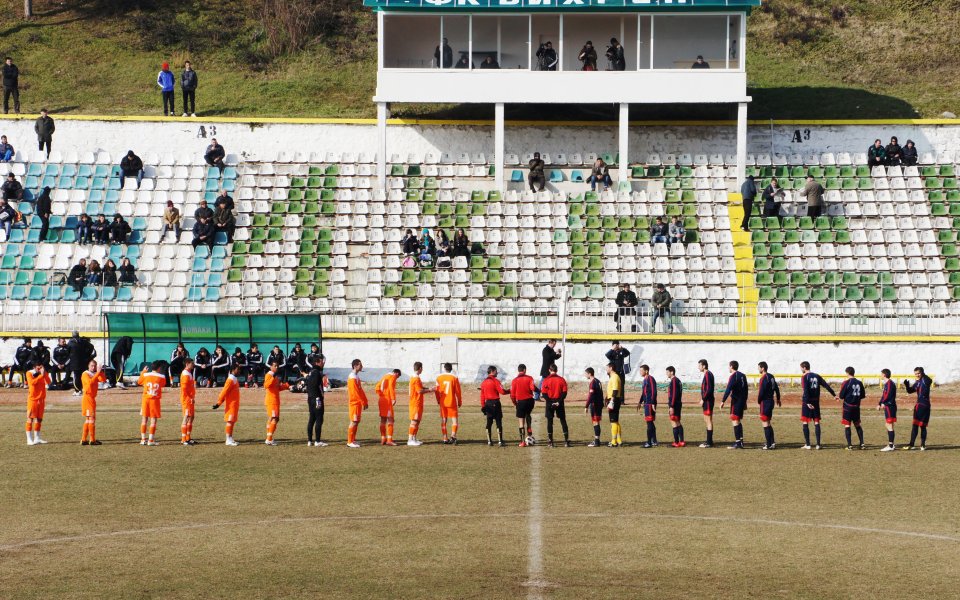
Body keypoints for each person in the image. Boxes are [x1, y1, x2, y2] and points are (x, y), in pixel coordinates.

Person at [799, 361, 834, 450]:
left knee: (805, 422)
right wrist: (834, 394)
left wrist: (807, 402)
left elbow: (806, 390)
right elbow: (826, 385)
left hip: (808, 402)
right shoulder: (816, 376)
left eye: (801, 368)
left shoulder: (804, 377)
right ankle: (818, 444)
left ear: (804, 368)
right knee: (816, 422)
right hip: (816, 402)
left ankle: (808, 444)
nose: (800, 369)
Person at [836, 366, 866, 450]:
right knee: (857, 424)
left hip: (848, 407)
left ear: (847, 373)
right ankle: (862, 443)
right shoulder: (859, 383)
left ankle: (849, 445)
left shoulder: (846, 383)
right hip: (856, 407)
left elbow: (841, 396)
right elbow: (863, 395)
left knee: (847, 425)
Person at [720, 360, 748, 449]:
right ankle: (741, 441)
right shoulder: (743, 376)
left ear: (731, 366)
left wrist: (723, 401)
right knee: (738, 420)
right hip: (742, 401)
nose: (728, 368)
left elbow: (728, 389)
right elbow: (746, 390)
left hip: (736, 401)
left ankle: (738, 443)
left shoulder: (733, 376)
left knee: (734, 420)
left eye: (729, 366)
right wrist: (745, 402)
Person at [137, 361, 167, 446]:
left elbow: (139, 382)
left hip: (145, 399)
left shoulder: (146, 375)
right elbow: (163, 384)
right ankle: (151, 440)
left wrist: (143, 372)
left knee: (144, 419)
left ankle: (143, 439)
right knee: (153, 420)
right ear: (159, 368)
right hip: (155, 400)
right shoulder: (162, 376)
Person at [212, 363, 242, 446]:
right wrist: (219, 403)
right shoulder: (230, 379)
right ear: (233, 370)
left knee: (232, 421)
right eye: (238, 369)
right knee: (230, 421)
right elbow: (224, 392)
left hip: (235, 404)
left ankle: (230, 438)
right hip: (231, 405)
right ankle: (228, 440)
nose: (239, 371)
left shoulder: (234, 378)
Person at [902, 366, 932, 451]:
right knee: (915, 425)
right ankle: (913, 444)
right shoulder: (918, 382)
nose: (917, 375)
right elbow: (910, 391)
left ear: (922, 373)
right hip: (920, 405)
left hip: (924, 405)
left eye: (918, 373)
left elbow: (930, 380)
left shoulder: (925, 380)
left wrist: (923, 374)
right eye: (915, 374)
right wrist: (907, 386)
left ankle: (921, 444)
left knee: (922, 426)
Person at [541, 363, 570, 447]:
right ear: (556, 370)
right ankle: (566, 441)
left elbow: (544, 394)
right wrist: (559, 402)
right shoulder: (561, 379)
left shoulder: (546, 380)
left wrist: (550, 402)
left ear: (549, 370)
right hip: (559, 402)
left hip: (550, 402)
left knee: (550, 421)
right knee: (563, 420)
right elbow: (564, 393)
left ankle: (550, 442)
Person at [80, 359, 106, 445]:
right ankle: (92, 440)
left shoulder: (94, 374)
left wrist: (101, 371)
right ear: (88, 366)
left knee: (88, 420)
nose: (93, 367)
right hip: (87, 398)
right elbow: (90, 383)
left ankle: (84, 440)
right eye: (92, 365)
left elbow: (103, 379)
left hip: (92, 398)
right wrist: (97, 373)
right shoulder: (85, 374)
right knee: (91, 419)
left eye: (95, 366)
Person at [479, 365, 507, 446]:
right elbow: (502, 392)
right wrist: (510, 391)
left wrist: (483, 406)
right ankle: (500, 441)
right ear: (493, 371)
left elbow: (482, 396)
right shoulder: (495, 381)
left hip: (488, 404)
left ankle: (489, 441)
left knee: (489, 422)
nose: (497, 372)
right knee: (498, 421)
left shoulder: (483, 382)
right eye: (496, 371)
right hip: (495, 402)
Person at [263, 362, 290, 446]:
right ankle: (269, 439)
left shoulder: (276, 376)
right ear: (271, 366)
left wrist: (286, 386)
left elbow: (277, 388)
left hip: (274, 401)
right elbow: (266, 385)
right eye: (274, 366)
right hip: (272, 401)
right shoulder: (269, 375)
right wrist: (273, 377)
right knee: (275, 418)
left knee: (272, 418)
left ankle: (269, 437)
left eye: (277, 366)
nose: (276, 367)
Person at [435, 362, 463, 445]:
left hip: (443, 402)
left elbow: (436, 390)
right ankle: (453, 436)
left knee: (444, 420)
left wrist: (438, 400)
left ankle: (444, 438)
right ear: (451, 368)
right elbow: (458, 391)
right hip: (452, 402)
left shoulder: (439, 377)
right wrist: (460, 401)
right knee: (454, 420)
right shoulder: (454, 377)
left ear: (444, 368)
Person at [510, 364, 537, 447]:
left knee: (521, 422)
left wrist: (515, 403)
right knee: (528, 415)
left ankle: (522, 442)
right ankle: (529, 434)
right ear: (525, 370)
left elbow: (512, 395)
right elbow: (533, 388)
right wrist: (538, 390)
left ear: (519, 370)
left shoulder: (514, 380)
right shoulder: (529, 378)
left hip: (520, 402)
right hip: (529, 402)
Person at [756, 361, 781, 450]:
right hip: (771, 401)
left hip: (765, 402)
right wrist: (778, 398)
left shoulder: (763, 378)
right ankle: (772, 442)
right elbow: (776, 388)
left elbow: (761, 392)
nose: (758, 369)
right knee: (768, 423)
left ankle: (768, 444)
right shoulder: (771, 376)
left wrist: (759, 401)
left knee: (765, 423)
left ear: (762, 368)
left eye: (759, 367)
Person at [25, 363, 51, 445]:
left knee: (39, 419)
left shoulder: (43, 373)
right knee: (30, 418)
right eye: (38, 368)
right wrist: (41, 375)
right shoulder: (29, 373)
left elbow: (49, 381)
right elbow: (32, 382)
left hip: (41, 399)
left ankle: (37, 438)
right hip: (33, 400)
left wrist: (44, 373)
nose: (40, 369)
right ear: (34, 367)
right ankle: (29, 439)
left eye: (41, 367)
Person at [306, 354, 328, 447]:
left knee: (312, 419)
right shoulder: (316, 372)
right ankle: (317, 441)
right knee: (319, 419)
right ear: (317, 362)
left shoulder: (312, 371)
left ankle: (310, 440)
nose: (323, 363)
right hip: (317, 399)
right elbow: (316, 385)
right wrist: (320, 395)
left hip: (310, 398)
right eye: (321, 361)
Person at [346, 359, 368, 448]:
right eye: (360, 365)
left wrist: (365, 401)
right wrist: (362, 401)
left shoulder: (356, 377)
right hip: (354, 403)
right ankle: (349, 441)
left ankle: (353, 440)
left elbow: (360, 391)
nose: (362, 366)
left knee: (356, 421)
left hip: (358, 403)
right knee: (353, 421)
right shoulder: (352, 377)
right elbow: (355, 392)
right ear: (355, 366)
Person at [375, 368, 401, 446]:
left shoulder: (385, 376)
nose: (397, 378)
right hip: (387, 400)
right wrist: (393, 398)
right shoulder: (393, 376)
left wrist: (381, 395)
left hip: (381, 399)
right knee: (391, 419)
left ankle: (383, 438)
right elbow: (391, 387)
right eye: (398, 377)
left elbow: (377, 387)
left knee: (383, 419)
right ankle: (389, 439)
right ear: (396, 373)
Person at [68, 331, 97, 396]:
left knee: (76, 376)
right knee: (82, 376)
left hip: (75, 362)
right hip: (83, 362)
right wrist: (87, 354)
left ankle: (77, 390)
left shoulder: (70, 342)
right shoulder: (83, 341)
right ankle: (81, 389)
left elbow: (68, 352)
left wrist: (72, 356)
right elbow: (91, 346)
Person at [406, 361, 429, 446]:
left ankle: (414, 438)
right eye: (422, 368)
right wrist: (430, 390)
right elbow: (419, 391)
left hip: (417, 402)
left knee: (417, 421)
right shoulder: (415, 378)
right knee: (414, 421)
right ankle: (410, 439)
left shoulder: (415, 377)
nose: (422, 370)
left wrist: (429, 388)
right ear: (420, 368)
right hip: (415, 402)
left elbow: (420, 388)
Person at [637, 364, 658, 448]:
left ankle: (649, 442)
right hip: (646, 403)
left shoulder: (650, 379)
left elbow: (654, 391)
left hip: (649, 404)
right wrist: (640, 401)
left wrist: (653, 403)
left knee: (649, 422)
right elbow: (644, 392)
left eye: (641, 370)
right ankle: (654, 441)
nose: (640, 372)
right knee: (650, 422)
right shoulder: (645, 380)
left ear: (646, 371)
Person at [665, 366, 685, 448]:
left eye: (667, 372)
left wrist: (671, 406)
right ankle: (682, 441)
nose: (666, 374)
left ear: (672, 372)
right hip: (678, 404)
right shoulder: (678, 381)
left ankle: (676, 442)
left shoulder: (674, 381)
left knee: (674, 422)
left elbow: (674, 395)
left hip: (675, 405)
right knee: (678, 422)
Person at [584, 367, 604, 447]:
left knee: (595, 422)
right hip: (599, 404)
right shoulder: (598, 381)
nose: (585, 375)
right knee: (597, 422)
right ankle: (597, 440)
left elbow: (591, 395)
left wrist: (586, 406)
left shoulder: (592, 382)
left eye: (585, 374)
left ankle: (596, 441)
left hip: (595, 404)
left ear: (589, 374)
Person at [878, 368, 897, 452]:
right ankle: (891, 444)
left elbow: (887, 395)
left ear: (884, 374)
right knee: (889, 425)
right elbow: (884, 395)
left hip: (890, 407)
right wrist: (880, 403)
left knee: (889, 425)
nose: (880, 375)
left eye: (881, 374)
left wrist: (883, 403)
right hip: (889, 406)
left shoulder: (889, 384)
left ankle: (890, 445)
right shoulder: (888, 383)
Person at [697, 359, 715, 448]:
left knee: (708, 420)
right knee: (707, 420)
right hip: (707, 401)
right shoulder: (707, 374)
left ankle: (709, 442)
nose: (698, 367)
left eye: (699, 365)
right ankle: (709, 440)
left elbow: (709, 389)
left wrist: (703, 399)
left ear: (704, 366)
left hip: (708, 401)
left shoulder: (708, 374)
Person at [605, 363, 624, 447]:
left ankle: (613, 441)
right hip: (614, 399)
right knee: (615, 421)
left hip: (614, 400)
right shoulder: (613, 377)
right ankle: (619, 440)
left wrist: (611, 401)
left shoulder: (615, 377)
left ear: (611, 368)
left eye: (607, 368)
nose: (606, 370)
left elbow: (615, 390)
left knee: (613, 421)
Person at [179, 357, 196, 445]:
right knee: (186, 417)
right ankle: (183, 439)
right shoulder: (185, 374)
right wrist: (190, 398)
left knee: (191, 417)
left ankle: (188, 438)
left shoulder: (189, 373)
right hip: (187, 399)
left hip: (190, 399)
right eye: (192, 363)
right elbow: (184, 389)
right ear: (187, 364)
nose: (193, 365)